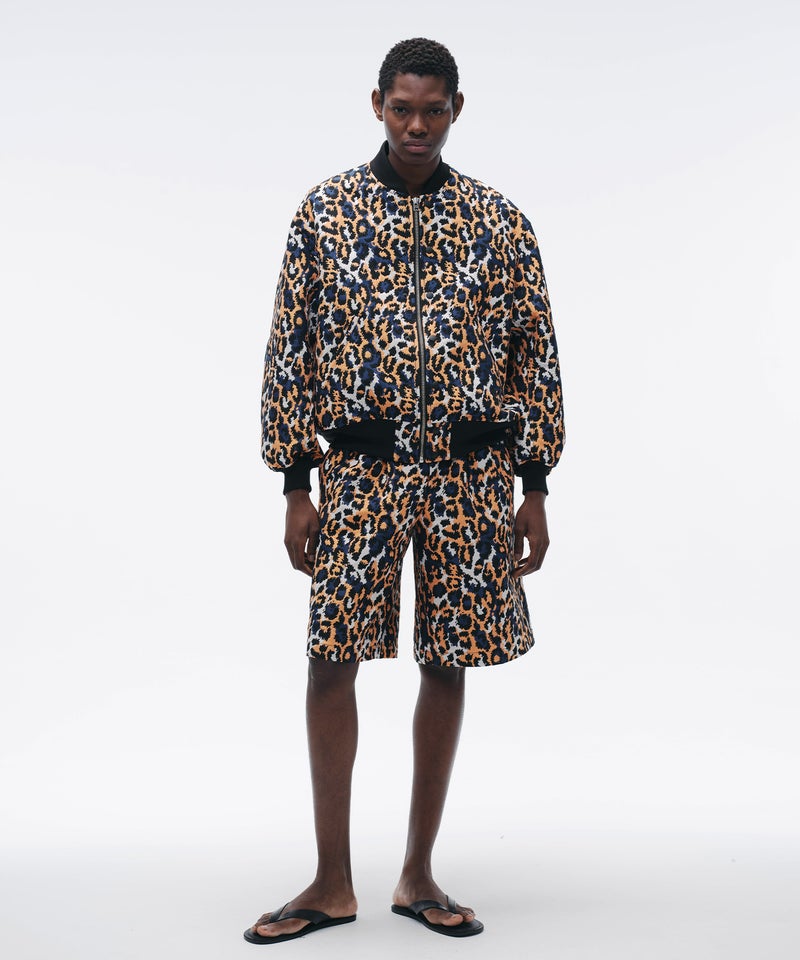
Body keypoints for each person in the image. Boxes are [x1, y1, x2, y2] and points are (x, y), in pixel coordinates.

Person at [246, 37, 565, 944]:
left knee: (447, 658)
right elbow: (290, 349)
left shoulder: (497, 221)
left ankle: (418, 872)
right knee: (331, 659)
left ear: (457, 108)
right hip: (359, 473)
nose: (416, 125)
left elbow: (534, 354)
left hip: (470, 476)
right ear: (377, 104)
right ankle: (330, 881)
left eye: (432, 110)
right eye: (401, 108)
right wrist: (295, 483)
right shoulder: (326, 213)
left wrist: (535, 486)